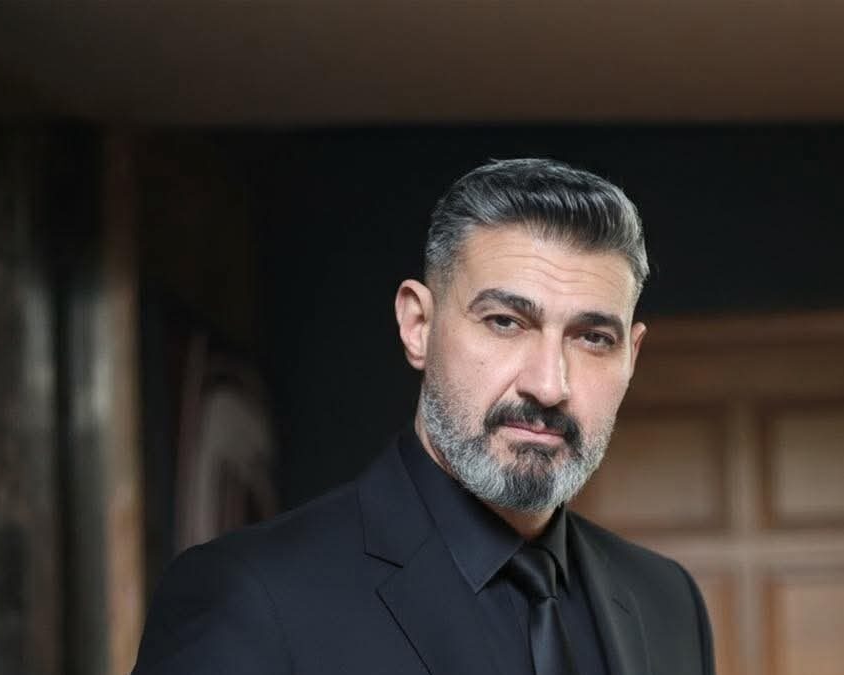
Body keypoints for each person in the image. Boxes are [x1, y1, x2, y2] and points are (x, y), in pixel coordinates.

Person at [132, 158, 715, 675]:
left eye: (592, 338)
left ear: (631, 356)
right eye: (505, 322)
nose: (548, 385)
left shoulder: (666, 602)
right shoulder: (252, 595)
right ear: (418, 326)